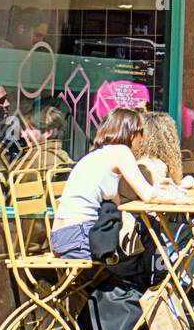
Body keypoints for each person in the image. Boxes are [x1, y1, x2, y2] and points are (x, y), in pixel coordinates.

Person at [49, 108, 179, 260]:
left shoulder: (97, 155)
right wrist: (178, 198)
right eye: (140, 132)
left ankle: (133, 281)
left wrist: (159, 189)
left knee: (132, 232)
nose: (142, 138)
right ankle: (155, 279)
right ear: (130, 132)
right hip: (80, 238)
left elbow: (118, 203)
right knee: (144, 232)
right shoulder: (121, 152)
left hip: (60, 239)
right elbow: (148, 195)